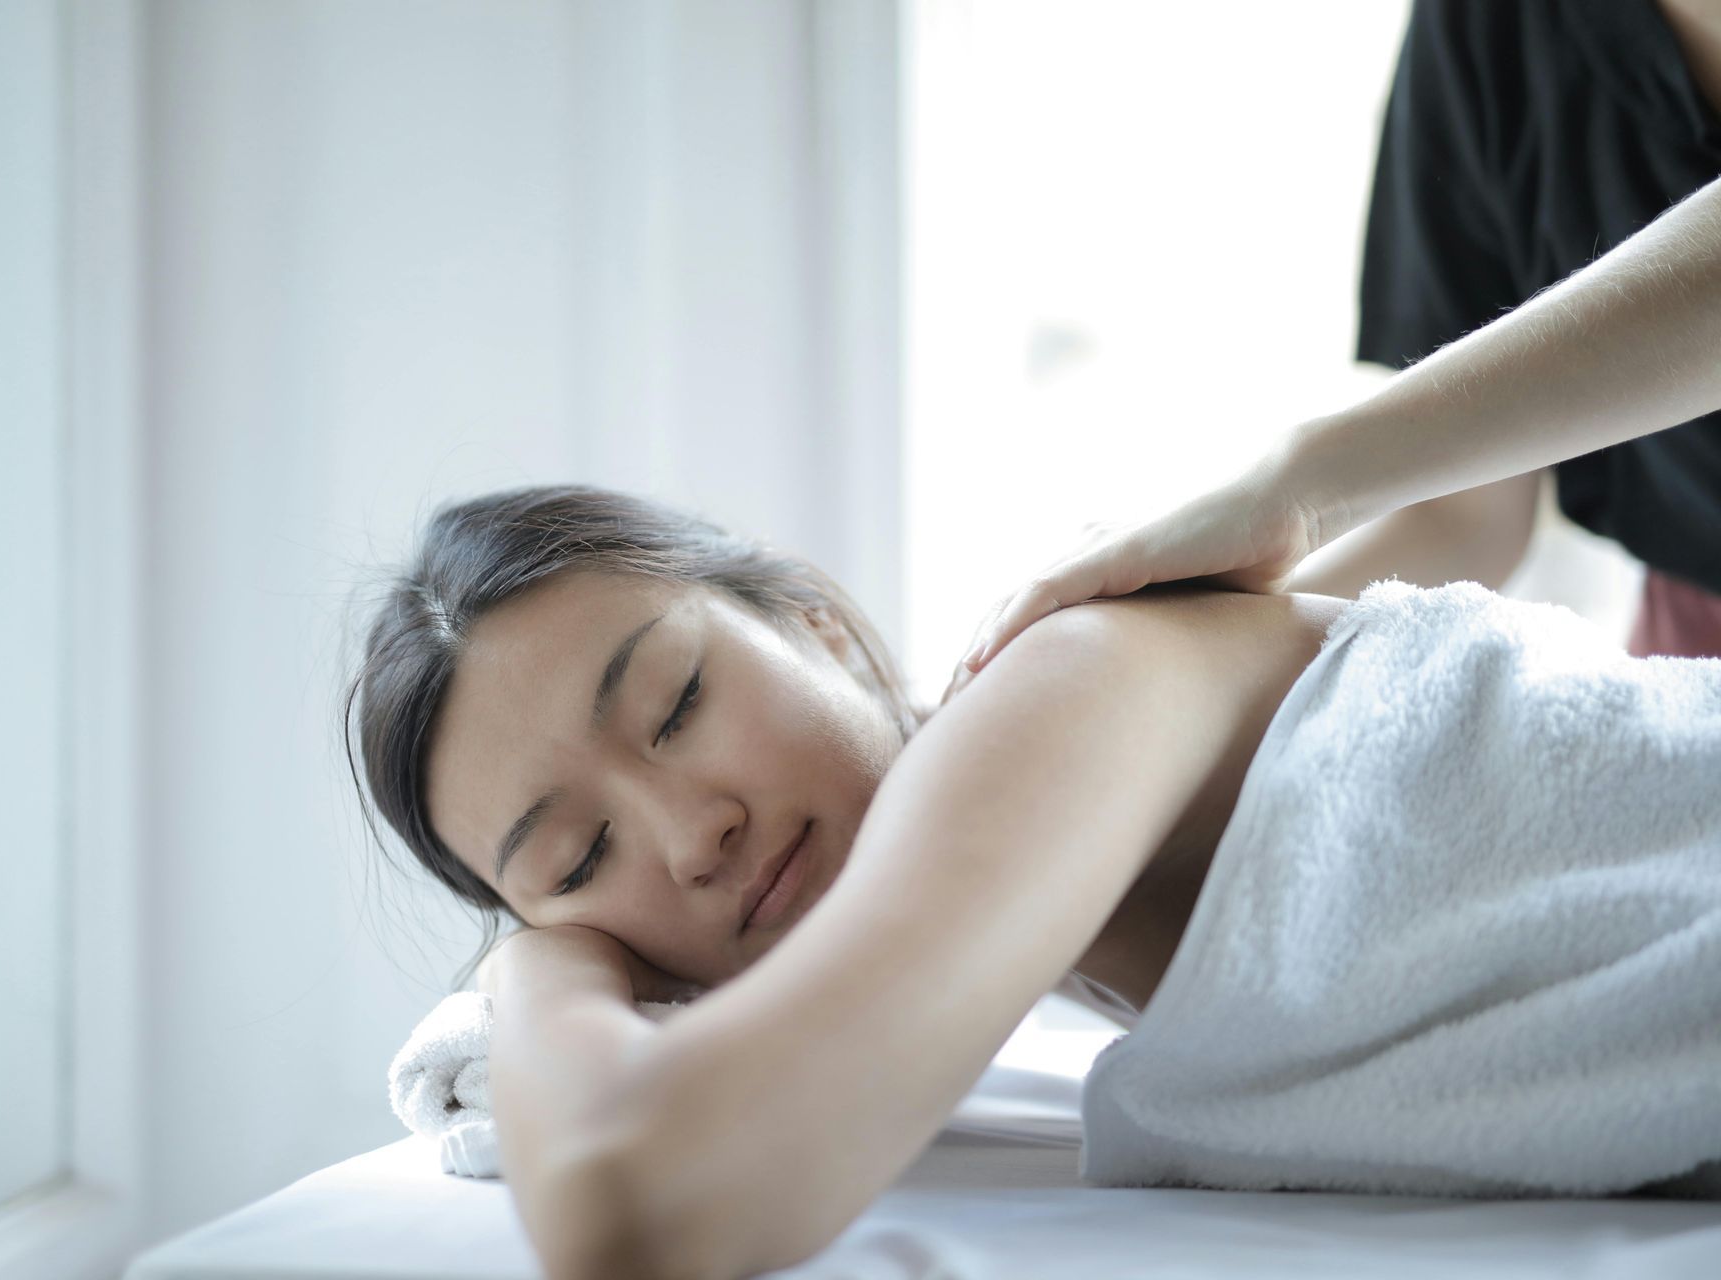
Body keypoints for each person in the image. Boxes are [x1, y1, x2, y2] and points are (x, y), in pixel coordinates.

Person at [345, 482, 1720, 1274]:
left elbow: (633, 1192)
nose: (689, 831)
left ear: (819, 628)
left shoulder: (1057, 692)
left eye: (680, 701)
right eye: (581, 857)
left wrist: (538, 960)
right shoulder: (1051, 845)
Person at [946, 3, 1721, 694]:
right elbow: (1463, 514)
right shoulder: (1490, 29)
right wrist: (1188, 639)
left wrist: (1297, 490)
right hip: (1687, 659)